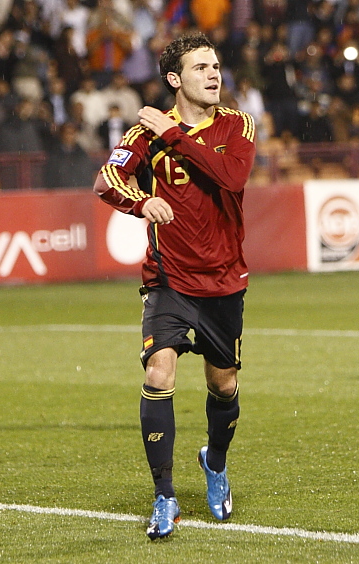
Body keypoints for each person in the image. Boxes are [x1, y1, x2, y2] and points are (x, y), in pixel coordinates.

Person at [93, 32, 256, 540]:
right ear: (174, 79)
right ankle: (164, 496)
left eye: (216, 65)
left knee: (223, 385)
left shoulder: (237, 124)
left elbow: (232, 176)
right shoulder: (145, 133)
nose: (213, 74)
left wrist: (176, 135)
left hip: (224, 280)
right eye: (201, 67)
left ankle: (215, 461)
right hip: (169, 279)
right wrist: (141, 202)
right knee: (159, 373)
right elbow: (106, 181)